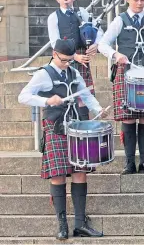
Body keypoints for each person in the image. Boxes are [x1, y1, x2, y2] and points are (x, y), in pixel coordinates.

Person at [17, 39, 106, 239]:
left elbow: (86, 94)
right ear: (54, 53)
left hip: (76, 128)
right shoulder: (43, 74)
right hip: (56, 127)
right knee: (57, 175)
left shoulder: (74, 72)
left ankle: (80, 223)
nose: (67, 63)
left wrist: (99, 109)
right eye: (64, 60)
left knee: (80, 172)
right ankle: (62, 224)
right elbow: (23, 96)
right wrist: (46, 100)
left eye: (69, 60)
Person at [98, 0, 144, 174]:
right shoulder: (120, 20)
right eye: (136, 0)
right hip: (125, 72)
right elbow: (103, 44)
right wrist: (115, 55)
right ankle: (129, 163)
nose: (139, 3)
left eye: (142, 0)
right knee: (128, 118)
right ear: (127, 0)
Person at [48, 0, 103, 117]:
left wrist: (95, 45)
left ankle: (83, 128)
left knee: (83, 97)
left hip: (82, 58)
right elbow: (55, 43)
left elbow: (98, 31)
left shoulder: (82, 12)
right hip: (62, 60)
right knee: (67, 96)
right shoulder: (53, 17)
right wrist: (74, 56)